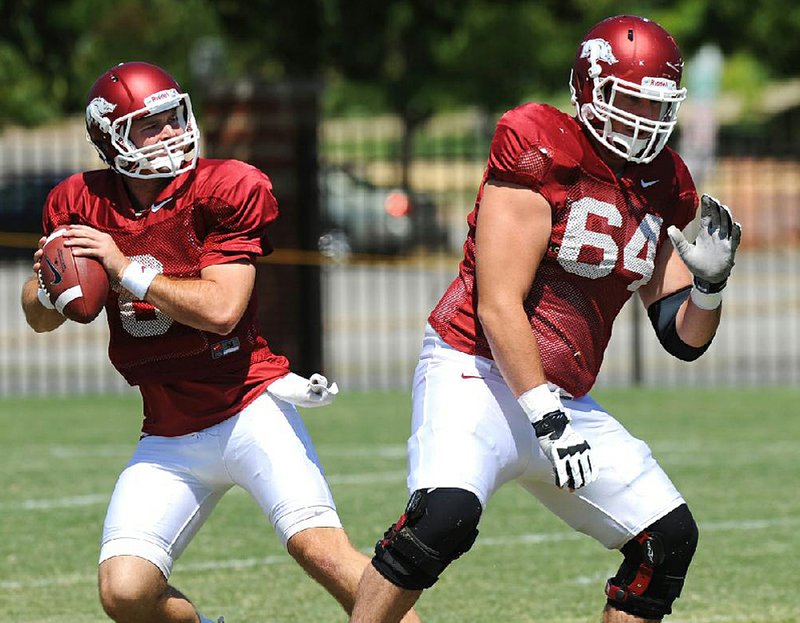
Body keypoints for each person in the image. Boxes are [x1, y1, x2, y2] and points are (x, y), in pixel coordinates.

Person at [350, 15, 741, 623]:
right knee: (443, 519)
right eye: (628, 98)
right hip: (476, 370)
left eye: (654, 102)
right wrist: (547, 420)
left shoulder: (666, 182)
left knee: (667, 540)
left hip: (563, 394)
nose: (642, 117)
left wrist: (711, 288)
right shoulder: (540, 145)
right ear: (588, 87)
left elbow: (681, 338)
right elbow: (498, 303)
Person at [21, 61, 420, 623]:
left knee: (321, 551)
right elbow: (40, 316)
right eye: (147, 126)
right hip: (167, 429)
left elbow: (223, 310)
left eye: (170, 117)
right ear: (109, 138)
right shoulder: (80, 203)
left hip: (247, 408)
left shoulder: (223, 188)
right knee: (125, 591)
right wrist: (48, 286)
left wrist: (124, 268)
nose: (168, 133)